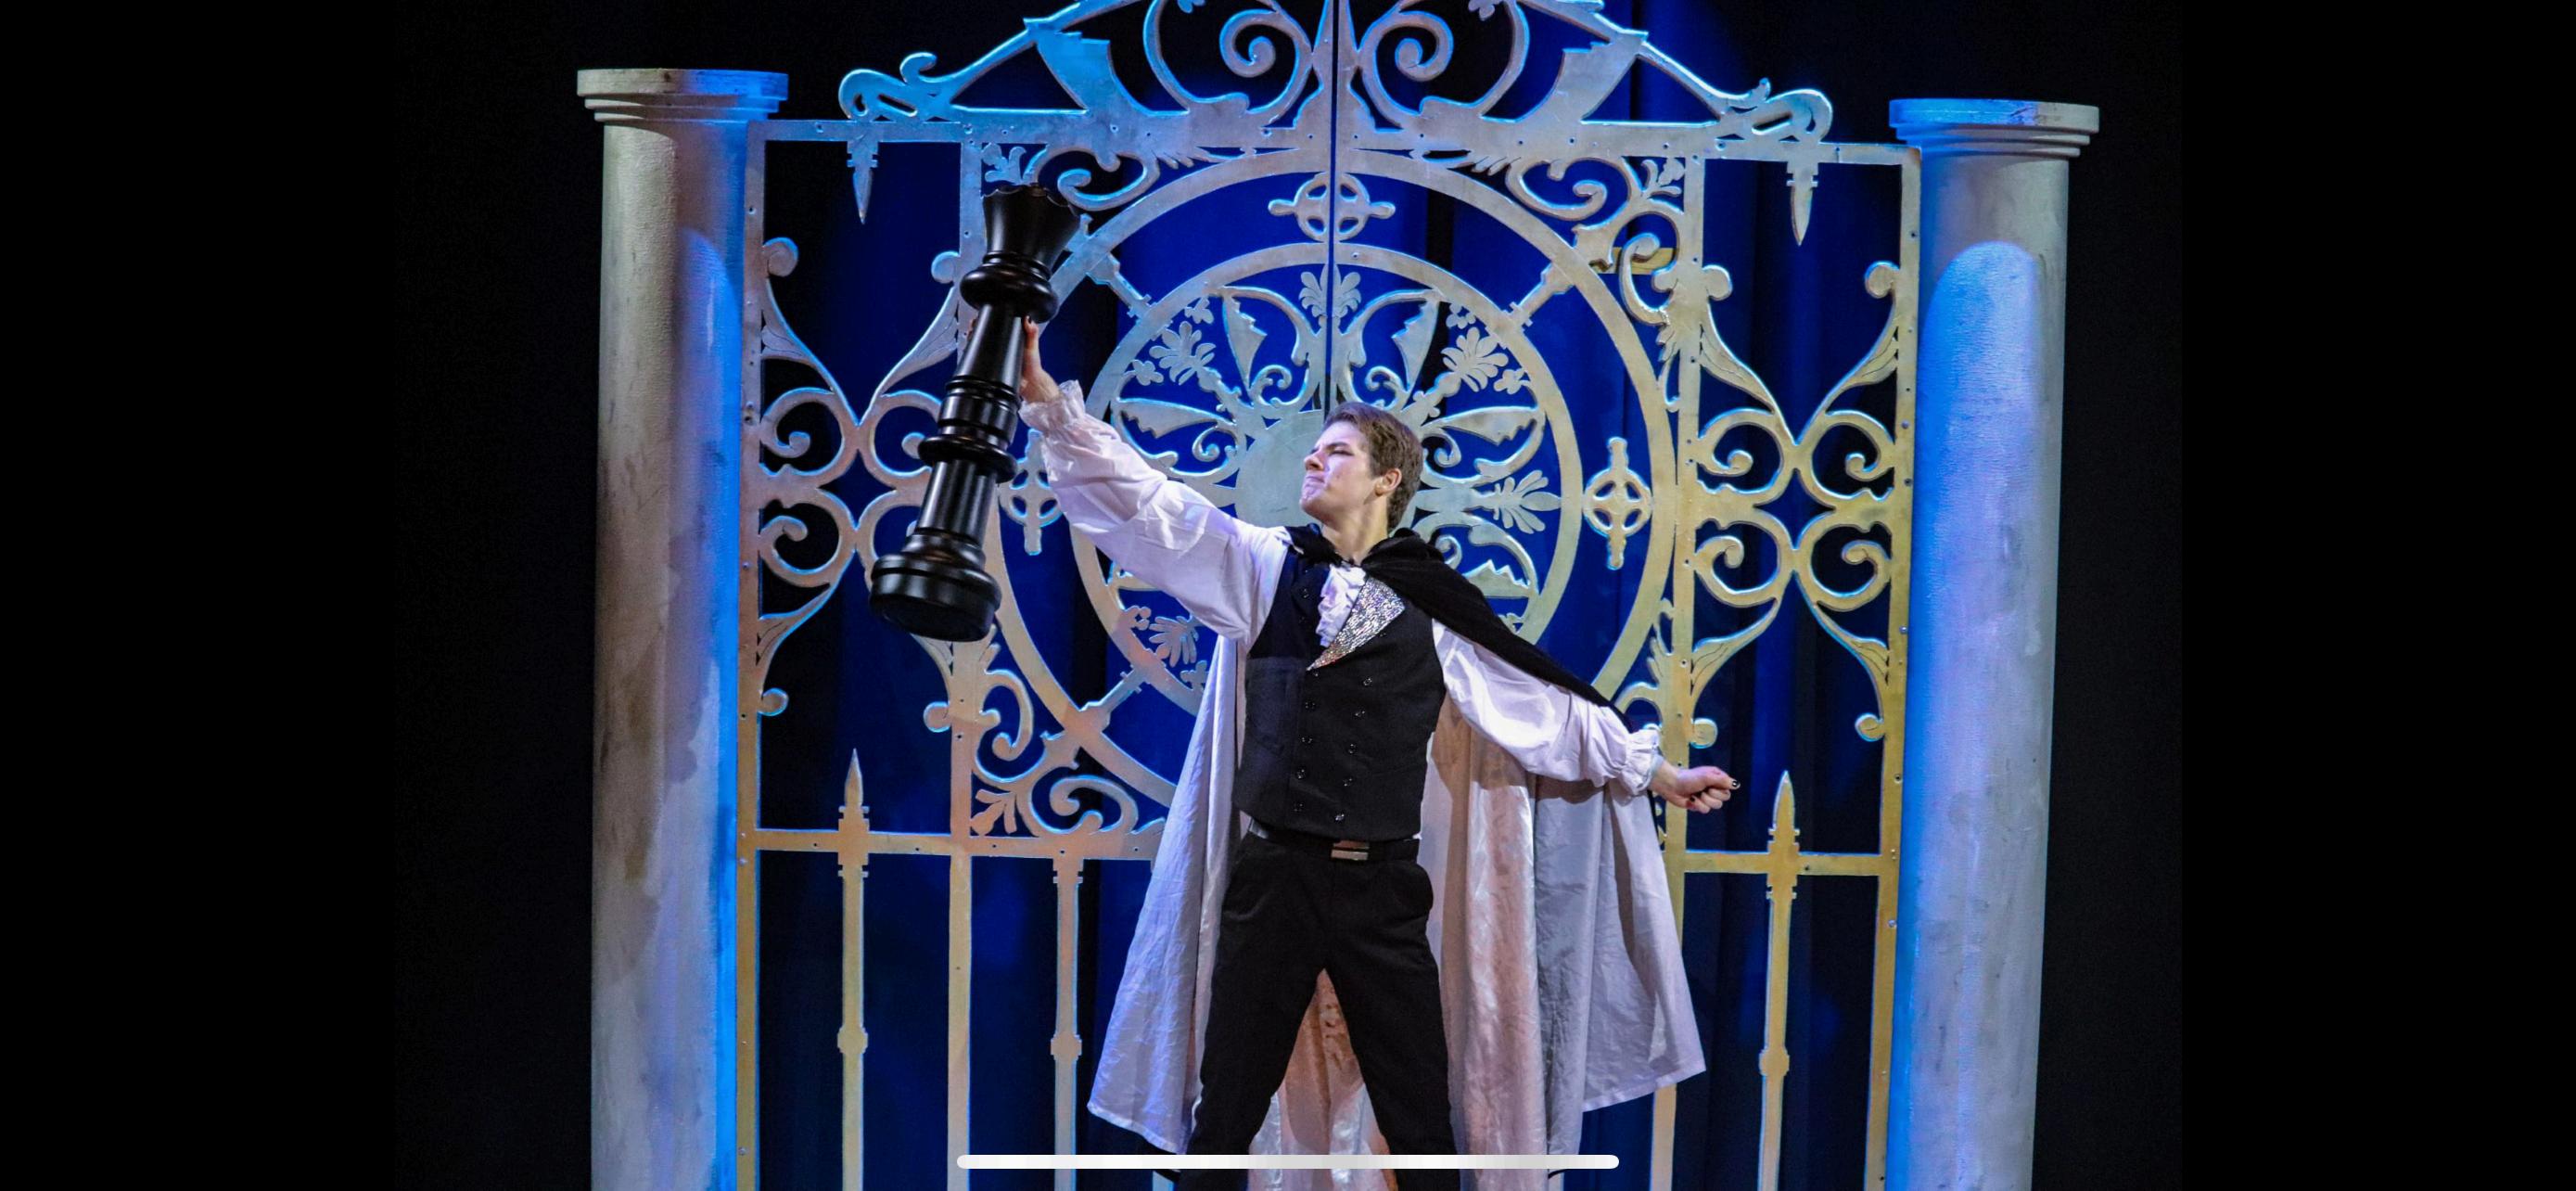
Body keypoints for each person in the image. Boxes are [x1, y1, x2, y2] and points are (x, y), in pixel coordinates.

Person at [1014, 318, 1736, 1190]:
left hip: (1382, 891)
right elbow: (1154, 511)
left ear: (1388, 479)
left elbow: (1549, 708)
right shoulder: (1264, 568)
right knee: (1226, 1113)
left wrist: (1658, 773)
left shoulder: (1435, 605)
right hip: (1276, 880)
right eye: (1315, 452)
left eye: (1338, 452)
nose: (1314, 463)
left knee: (1419, 1115)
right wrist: (1051, 409)